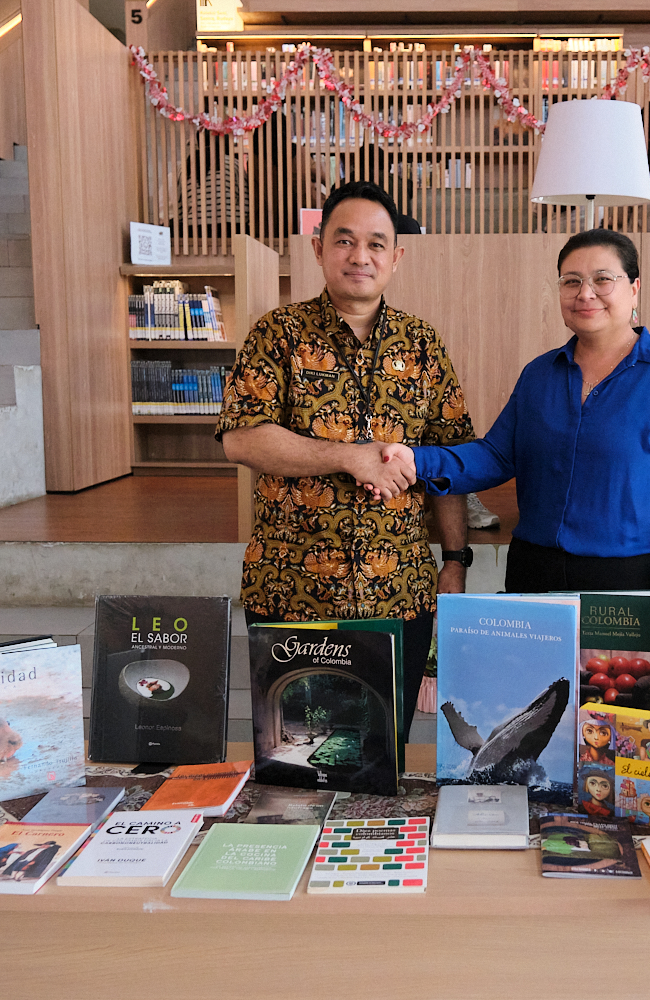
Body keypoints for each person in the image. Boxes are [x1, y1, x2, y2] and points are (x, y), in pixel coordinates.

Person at [217, 180, 476, 718]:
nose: (361, 256)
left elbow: (449, 460)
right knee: (296, 753)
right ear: (318, 247)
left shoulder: (423, 344)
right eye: (344, 240)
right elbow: (242, 437)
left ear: (396, 256)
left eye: (377, 243)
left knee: (388, 753)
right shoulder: (277, 334)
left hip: (398, 591)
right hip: (292, 589)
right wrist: (346, 454)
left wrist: (454, 560)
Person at [388, 229, 650, 598]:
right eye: (571, 281)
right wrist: (415, 460)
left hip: (625, 583)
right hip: (533, 574)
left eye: (603, 279)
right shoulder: (540, 374)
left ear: (635, 288)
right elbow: (495, 456)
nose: (585, 293)